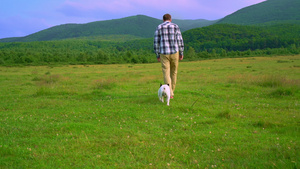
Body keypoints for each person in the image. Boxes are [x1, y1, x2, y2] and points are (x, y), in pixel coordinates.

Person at [154, 14, 184, 99]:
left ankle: (170, 93)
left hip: (163, 53)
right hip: (175, 52)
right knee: (174, 72)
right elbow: (180, 40)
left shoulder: (159, 27)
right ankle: (171, 92)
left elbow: (156, 42)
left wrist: (157, 54)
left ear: (163, 19)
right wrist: (181, 53)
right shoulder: (175, 26)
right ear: (170, 19)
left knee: (166, 73)